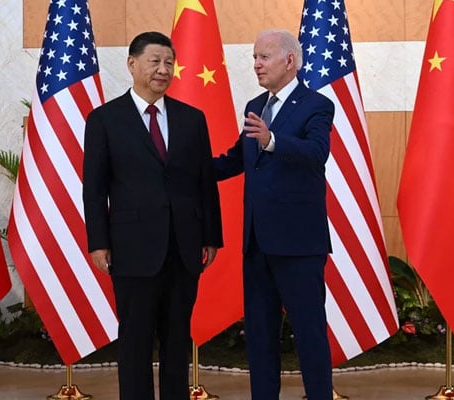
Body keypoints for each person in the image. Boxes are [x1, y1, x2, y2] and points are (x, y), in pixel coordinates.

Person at [83, 31, 223, 400]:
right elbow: (94, 189)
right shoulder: (104, 120)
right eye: (155, 61)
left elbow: (204, 183)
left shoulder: (192, 119)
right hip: (131, 249)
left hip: (184, 247)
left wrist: (211, 236)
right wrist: (98, 242)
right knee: (135, 340)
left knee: (178, 338)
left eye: (169, 63)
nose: (163, 70)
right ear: (132, 64)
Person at [213, 29, 334, 400]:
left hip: (298, 245)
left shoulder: (316, 104)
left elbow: (316, 153)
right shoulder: (256, 104)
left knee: (309, 333)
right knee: (261, 337)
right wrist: (188, 168)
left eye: (263, 57)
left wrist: (272, 140)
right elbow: (238, 158)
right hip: (257, 243)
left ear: (289, 61)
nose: (256, 65)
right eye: (254, 57)